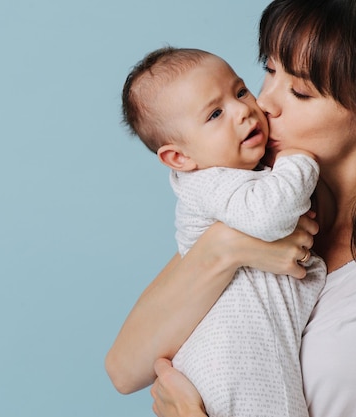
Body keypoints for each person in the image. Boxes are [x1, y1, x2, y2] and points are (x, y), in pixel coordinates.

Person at [105, 0, 356, 416]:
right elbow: (124, 369)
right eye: (269, 70)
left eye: (299, 91)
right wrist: (224, 248)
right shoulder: (258, 208)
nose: (263, 104)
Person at [111, 46, 326, 417]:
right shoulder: (208, 182)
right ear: (180, 158)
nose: (244, 109)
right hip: (230, 367)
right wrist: (299, 158)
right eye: (215, 113)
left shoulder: (236, 175)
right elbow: (269, 213)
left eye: (241, 91)